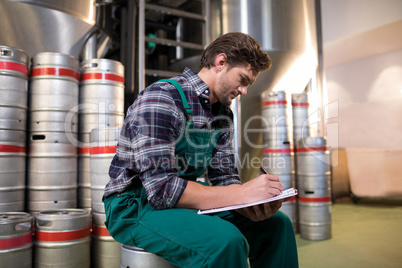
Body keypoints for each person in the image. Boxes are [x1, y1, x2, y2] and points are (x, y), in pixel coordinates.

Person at [103, 32, 298, 268]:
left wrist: (251, 207)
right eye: (243, 79)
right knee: (226, 241)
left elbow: (225, 179)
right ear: (221, 62)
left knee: (277, 225)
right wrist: (243, 193)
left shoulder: (223, 114)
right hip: (135, 204)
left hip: (180, 197)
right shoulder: (162, 98)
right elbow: (162, 189)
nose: (244, 91)